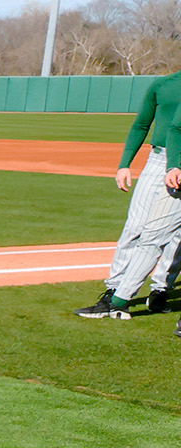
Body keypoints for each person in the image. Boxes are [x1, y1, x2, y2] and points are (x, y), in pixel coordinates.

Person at [77, 69, 181, 319]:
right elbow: (142, 125)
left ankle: (160, 289)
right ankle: (114, 289)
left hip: (176, 165)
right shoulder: (163, 85)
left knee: (176, 237)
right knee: (135, 227)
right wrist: (125, 164)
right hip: (159, 160)